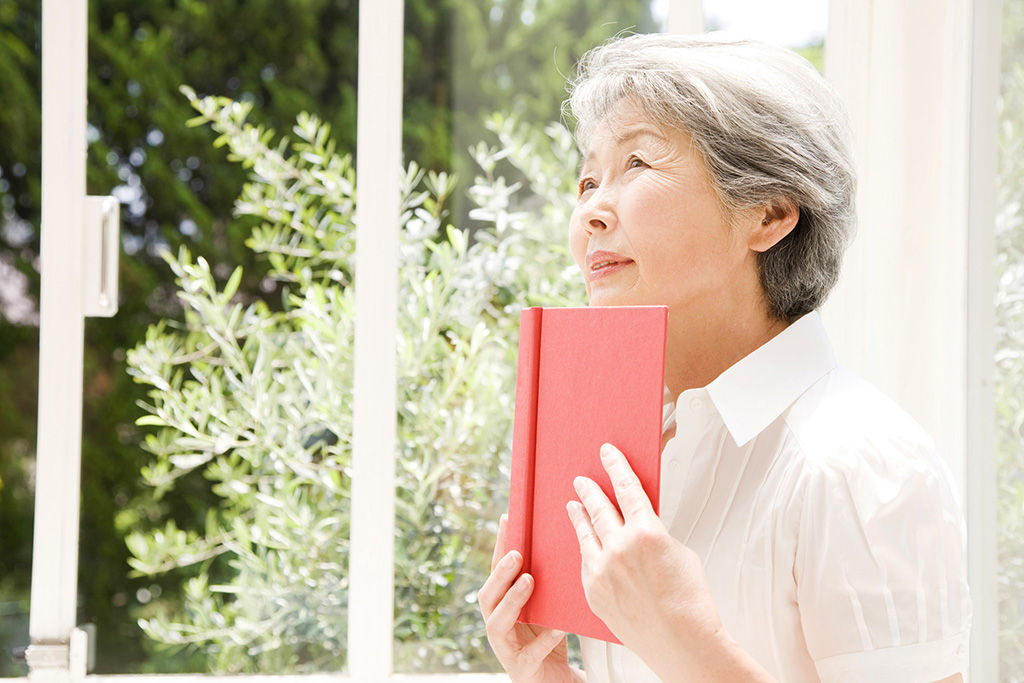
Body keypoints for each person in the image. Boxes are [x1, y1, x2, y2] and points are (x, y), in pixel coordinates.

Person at [476, 32, 971, 683]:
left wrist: (686, 640)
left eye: (636, 164)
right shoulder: (632, 447)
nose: (590, 210)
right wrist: (549, 677)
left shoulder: (858, 465)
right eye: (588, 180)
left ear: (769, 212)